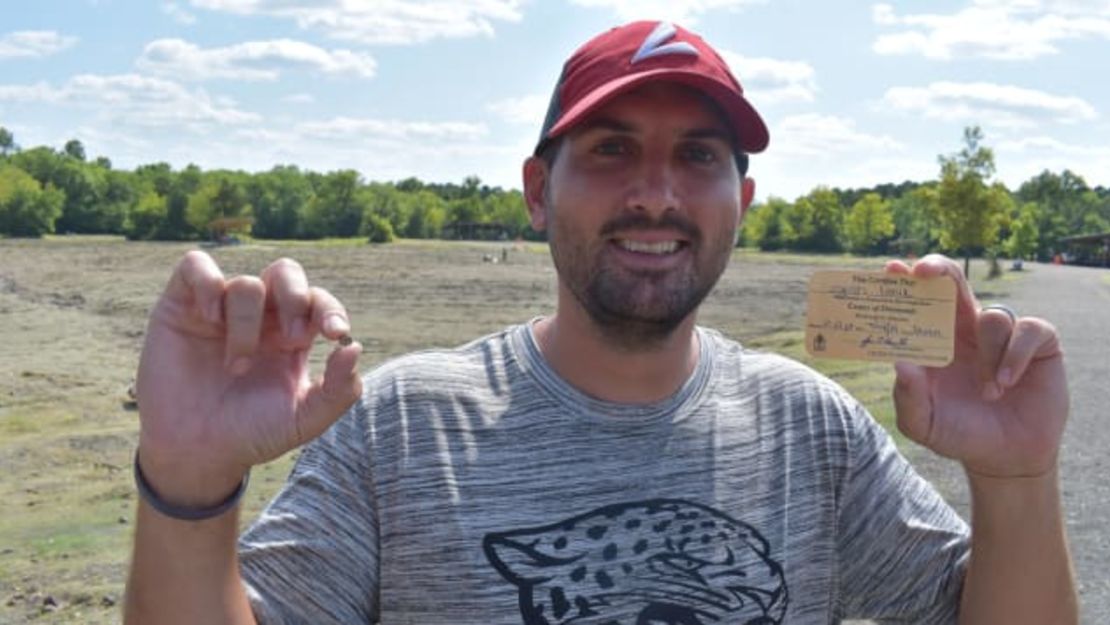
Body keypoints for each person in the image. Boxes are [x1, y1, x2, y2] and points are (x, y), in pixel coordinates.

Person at [123, 20, 1077, 625]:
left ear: (741, 198)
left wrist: (1017, 476)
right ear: (539, 191)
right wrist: (191, 481)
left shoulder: (810, 429)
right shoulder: (405, 428)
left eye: (697, 155)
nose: (656, 195)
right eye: (612, 149)